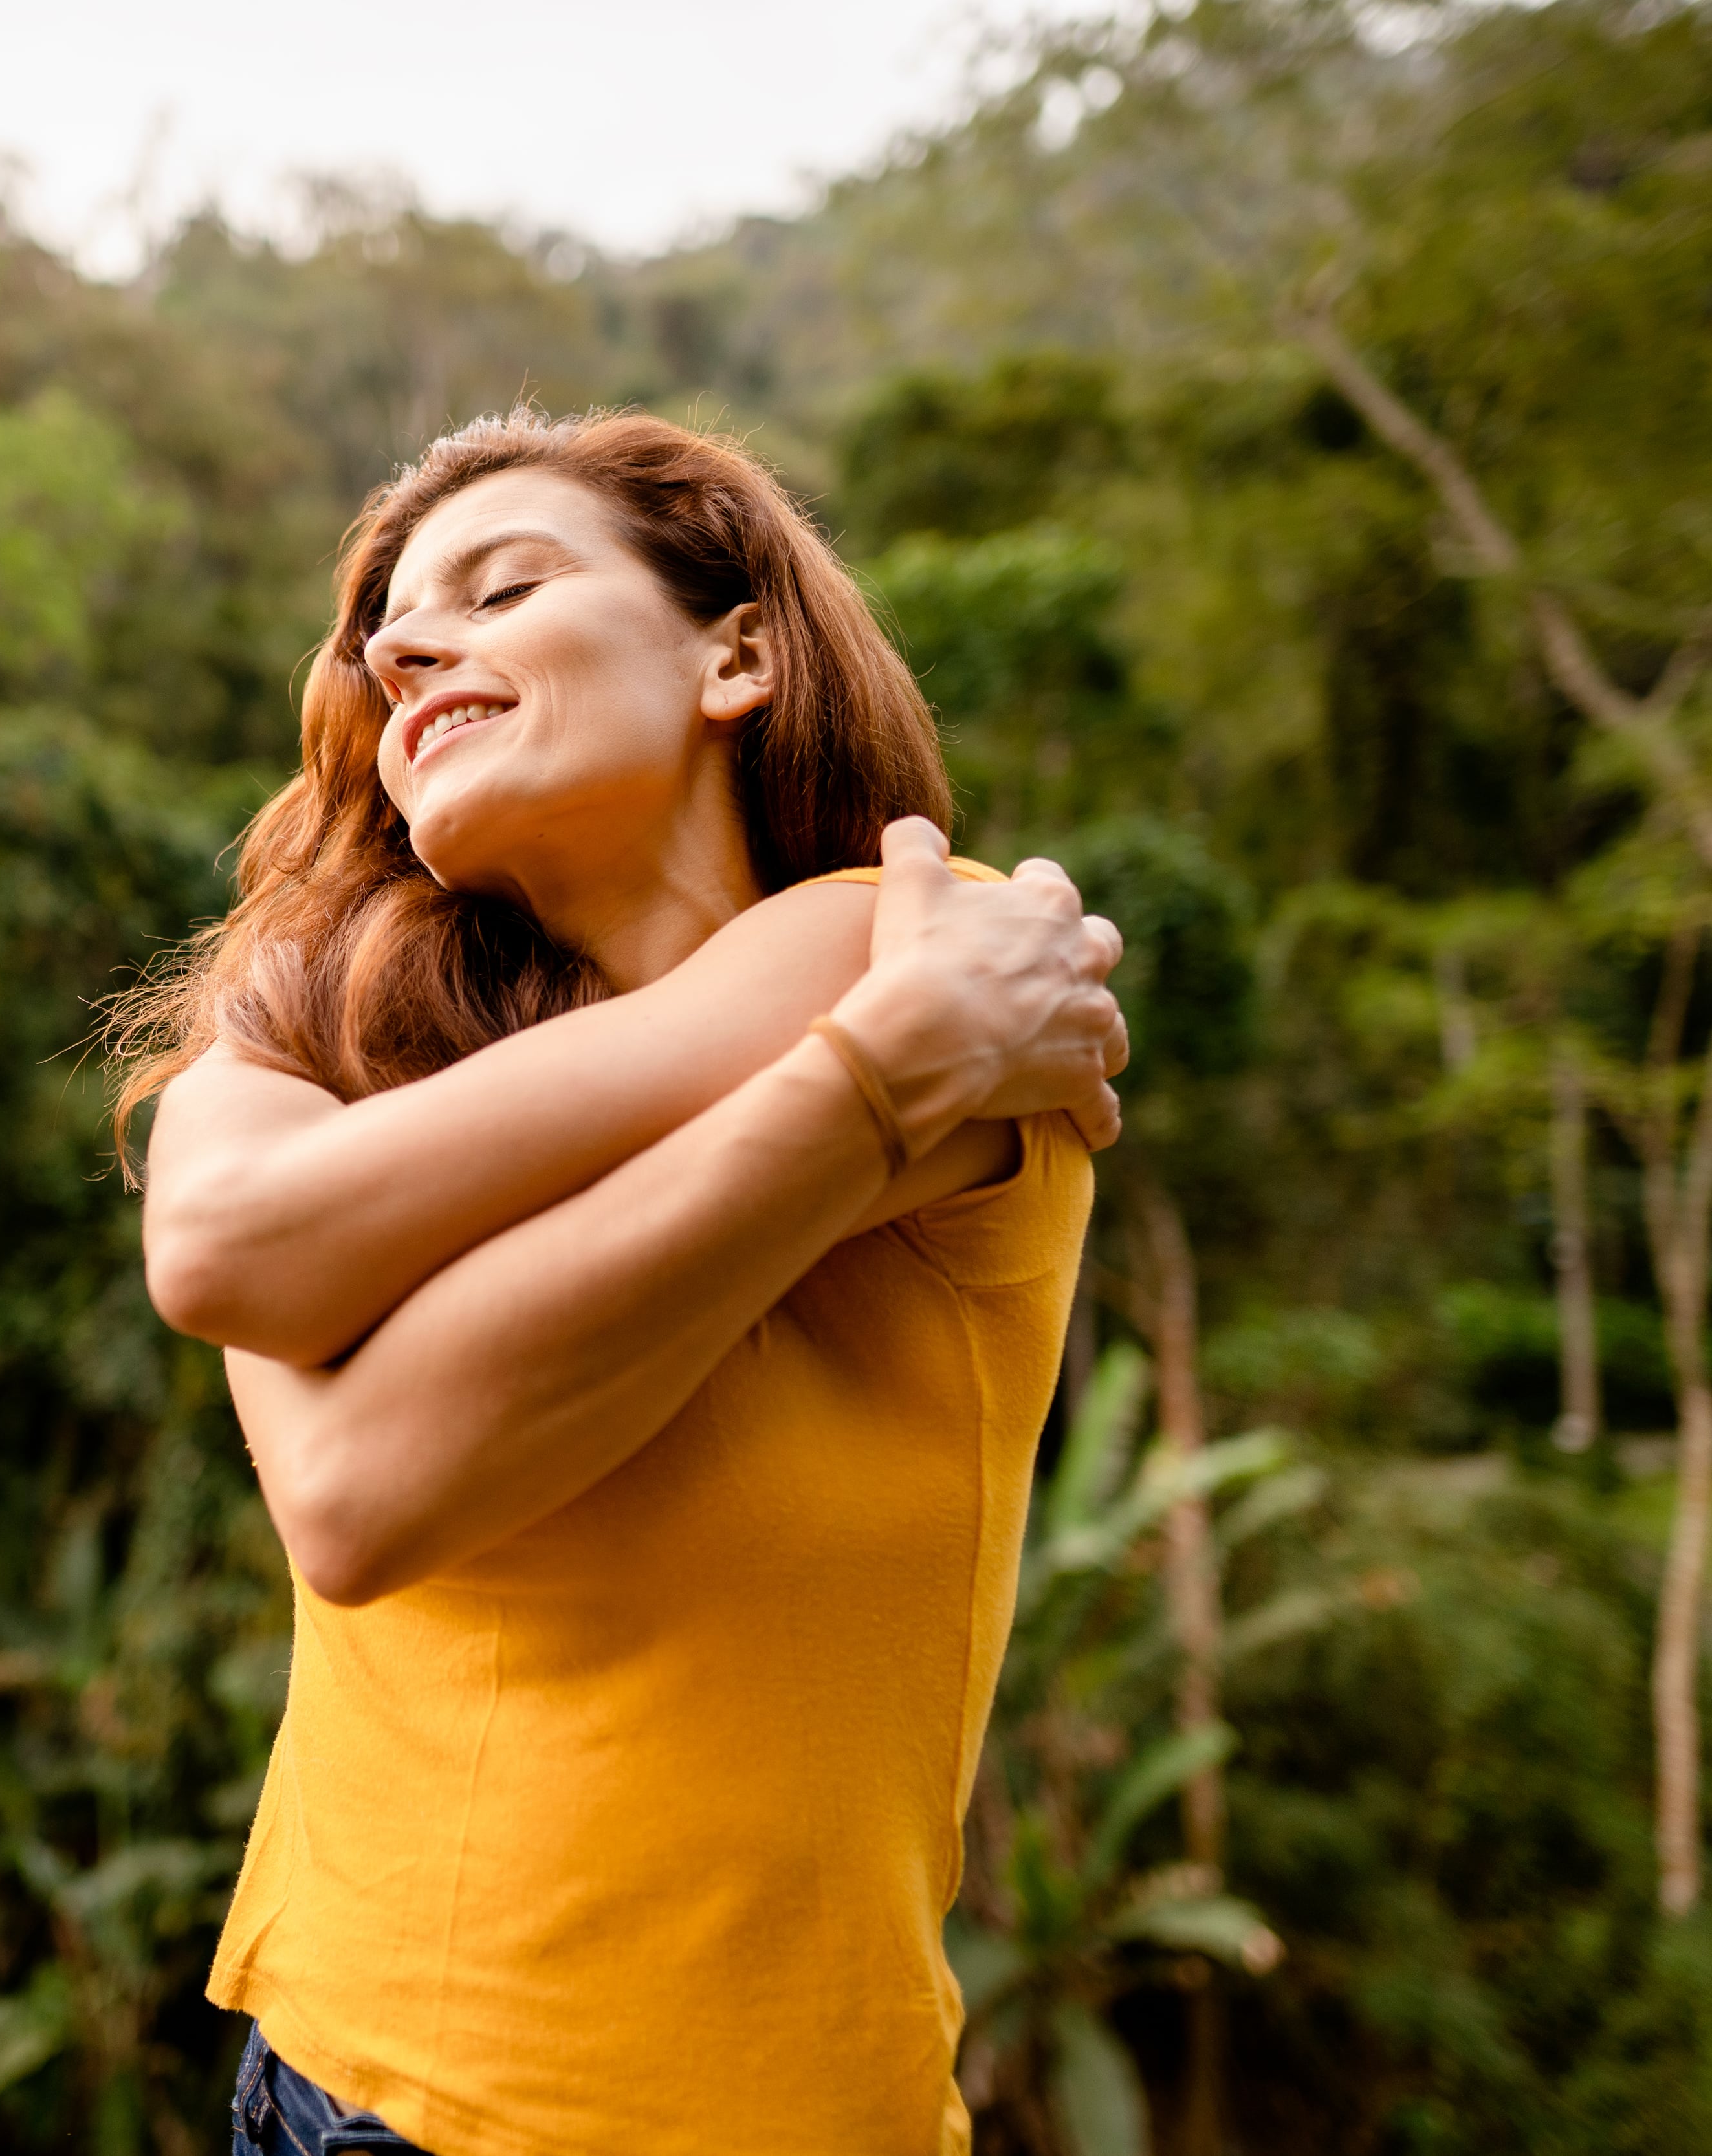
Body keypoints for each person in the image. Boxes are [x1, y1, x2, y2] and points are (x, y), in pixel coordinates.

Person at [110, 409, 1128, 2156]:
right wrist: (878, 1080)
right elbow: (234, 1270)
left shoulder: (904, 927)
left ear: (736, 649)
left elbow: (351, 1473)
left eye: (502, 589)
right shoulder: (320, 1026)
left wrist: (881, 1043)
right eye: (390, 641)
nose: (410, 647)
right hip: (322, 2080)